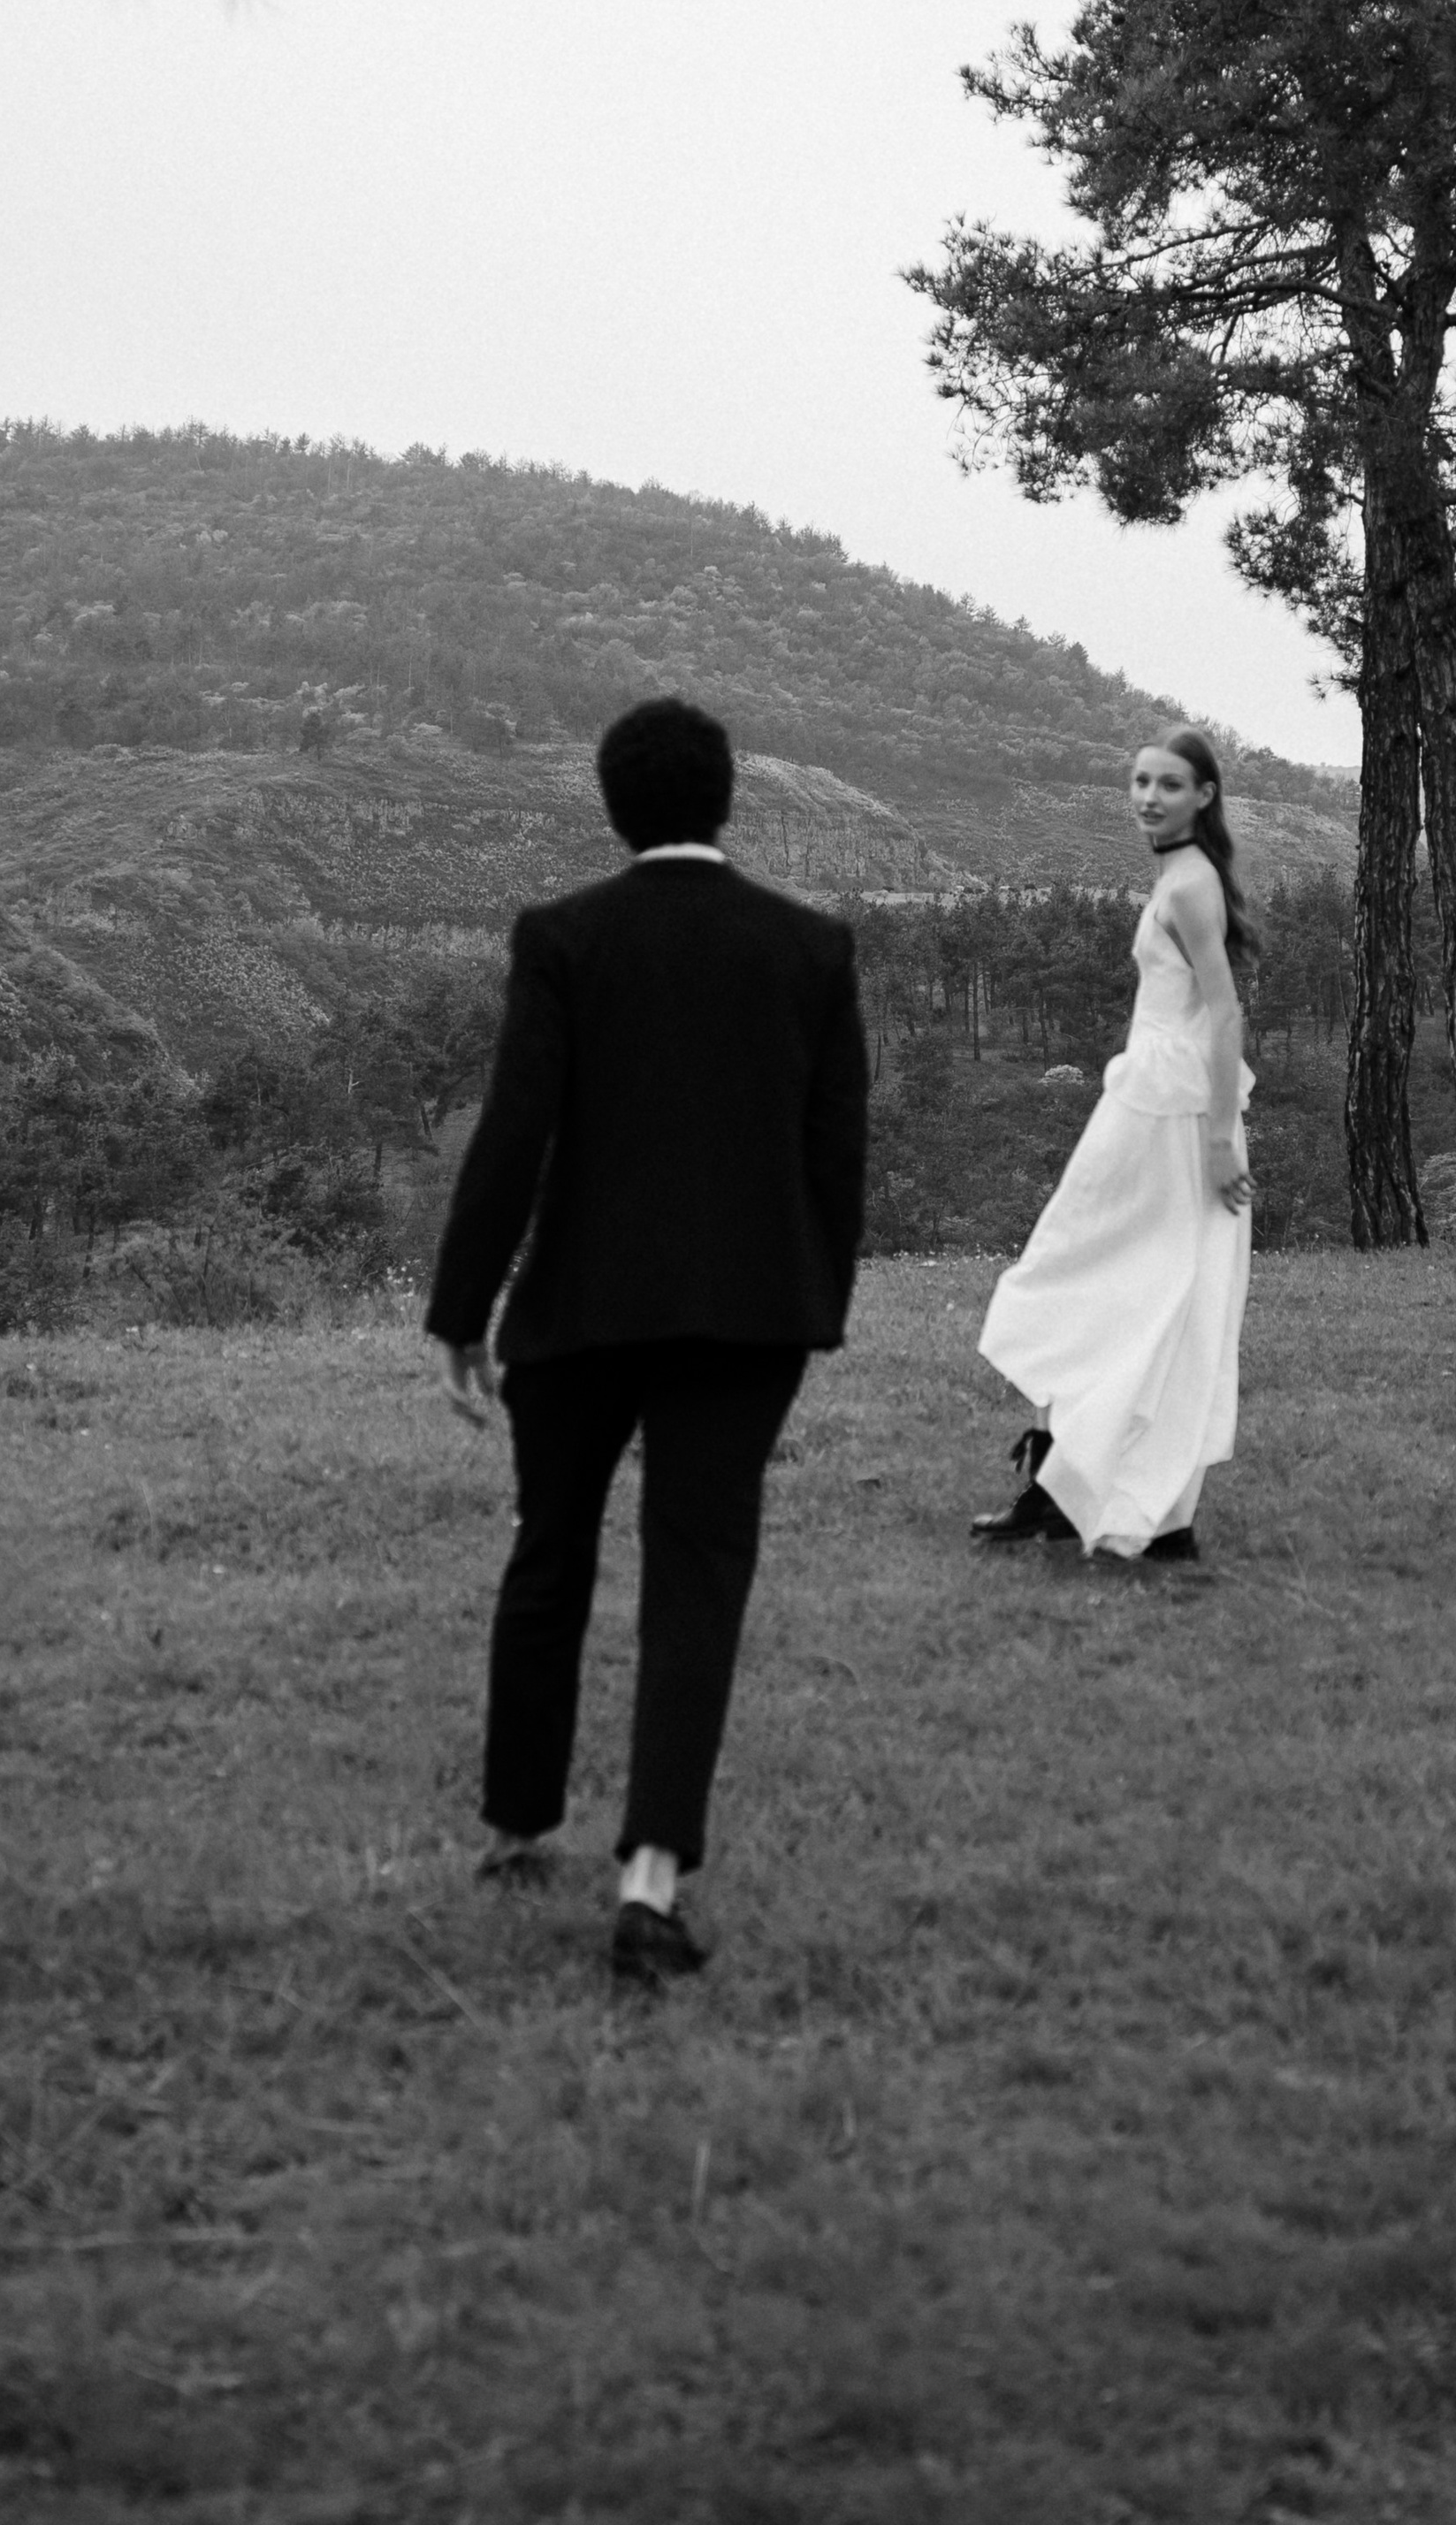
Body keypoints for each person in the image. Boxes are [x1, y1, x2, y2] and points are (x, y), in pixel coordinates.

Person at [424, 696, 868, 1986]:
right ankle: (652, 1878)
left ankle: (517, 1822)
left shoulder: (563, 937)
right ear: (726, 797)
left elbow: (516, 1134)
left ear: (614, 806)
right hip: (748, 1313)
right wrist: (812, 1299)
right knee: (698, 1577)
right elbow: (833, 1152)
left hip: (581, 1306)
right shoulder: (809, 947)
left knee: (548, 1552)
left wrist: (461, 1309)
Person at [972, 725, 1254, 1562]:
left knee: (1104, 1280)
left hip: (1170, 1115)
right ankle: (1098, 1494)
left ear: (1203, 796)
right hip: (1152, 1099)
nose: (1148, 798)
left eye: (1168, 785)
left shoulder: (1191, 885)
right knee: (1119, 1286)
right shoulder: (1179, 875)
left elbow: (1226, 1011)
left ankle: (1103, 1496)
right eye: (1139, 782)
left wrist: (1215, 1140)